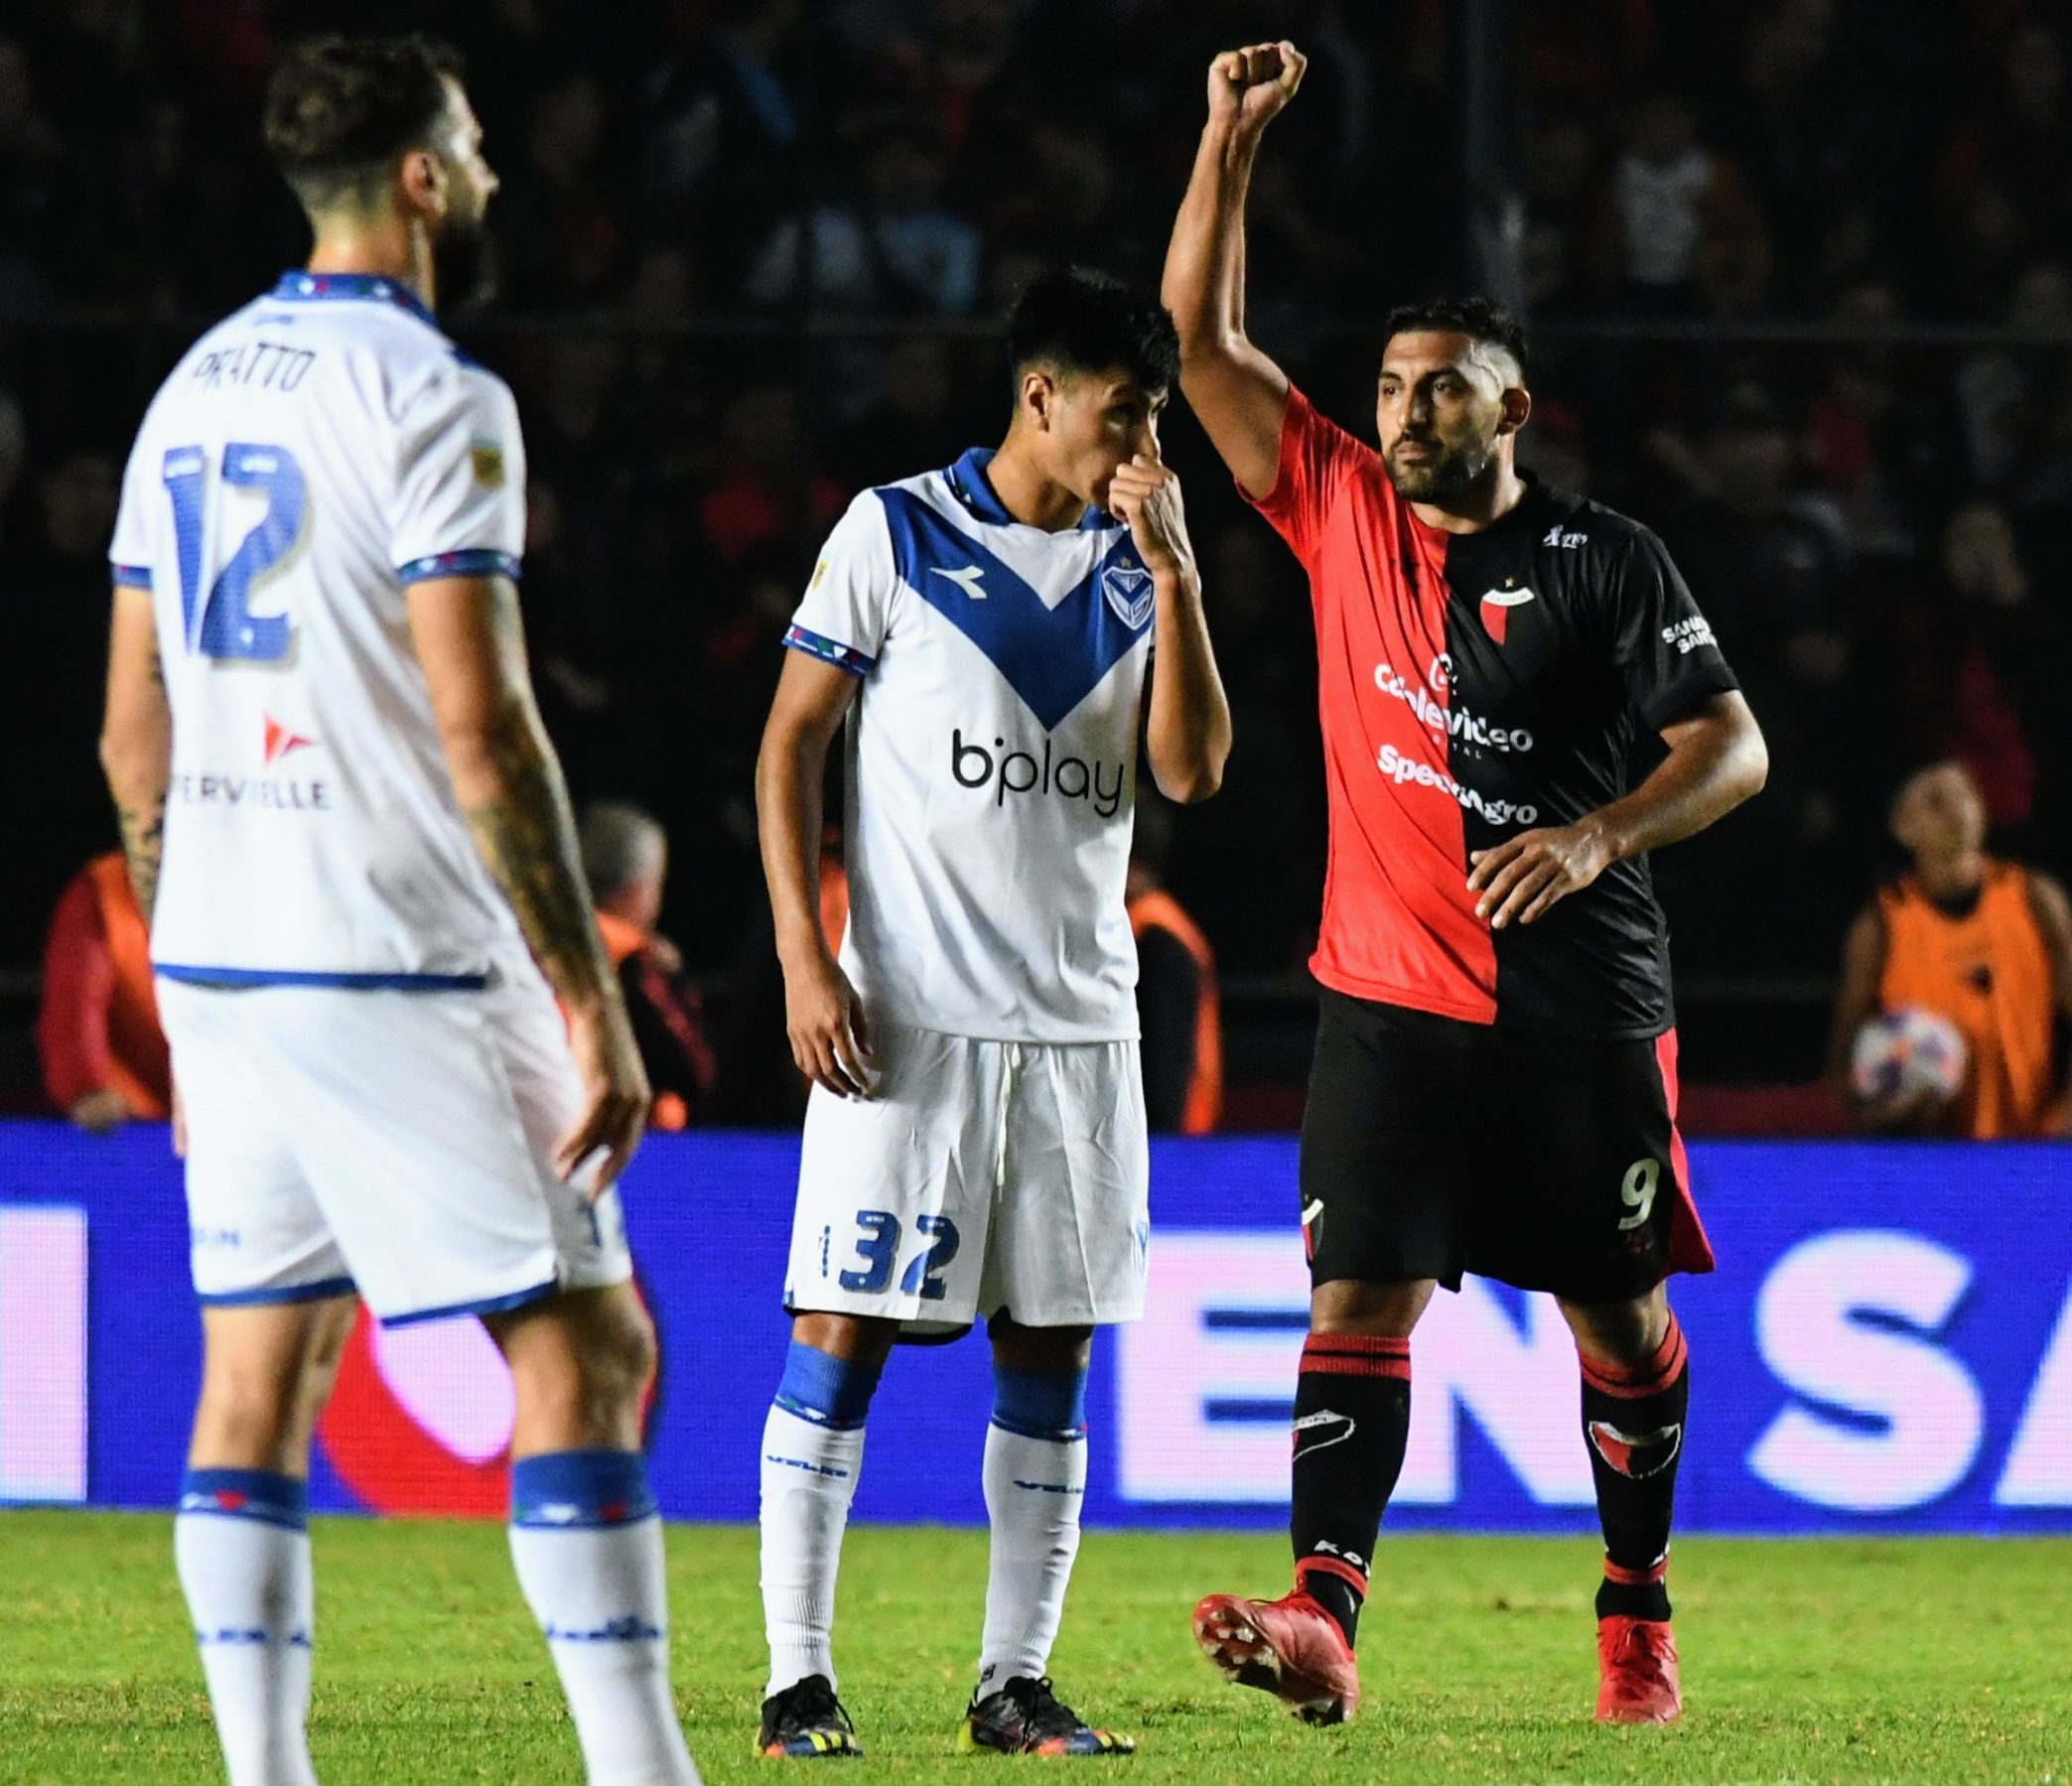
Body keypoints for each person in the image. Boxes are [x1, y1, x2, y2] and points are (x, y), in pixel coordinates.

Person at [94, 36, 698, 1786]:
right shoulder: (438, 393)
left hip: (222, 952)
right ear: (424, 178)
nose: (496, 171)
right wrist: (590, 995)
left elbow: (130, 731)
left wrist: (184, 980)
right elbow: (484, 727)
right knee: (588, 1345)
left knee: (255, 1378)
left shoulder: (191, 386)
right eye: (479, 146)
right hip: (399, 946)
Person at [1163, 43, 1770, 1728]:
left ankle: (1636, 1604)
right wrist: (1226, 141)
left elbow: (1735, 749)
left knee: (1620, 1321)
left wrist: (1600, 833)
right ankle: (1323, 1610)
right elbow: (1201, 341)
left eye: (1443, 388)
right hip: (1386, 997)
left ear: (1513, 410)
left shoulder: (1607, 560)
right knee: (1359, 1293)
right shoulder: (1335, 505)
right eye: (1390, 385)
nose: (1407, 410)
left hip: (1579, 1008)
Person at [751, 267, 1231, 1759]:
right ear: (1041, 395)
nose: (1145, 445)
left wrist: (1183, 579)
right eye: (1126, 413)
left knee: (1054, 1347)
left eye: (1157, 418)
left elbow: (1193, 771)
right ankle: (795, 1681)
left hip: (1082, 1025)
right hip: (909, 1017)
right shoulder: (892, 531)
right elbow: (788, 745)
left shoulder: (1140, 567)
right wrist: (804, 953)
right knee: (843, 1325)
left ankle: (1010, 1683)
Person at [1827, 762, 2072, 1138]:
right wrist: (1883, 1114)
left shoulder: (2032, 898)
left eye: (1966, 794)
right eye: (1936, 801)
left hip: (2026, 1148)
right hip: (1930, 1153)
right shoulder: (1881, 925)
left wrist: (2070, 1122)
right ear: (1903, 827)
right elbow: (1843, 1058)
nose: (1957, 808)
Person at [579, 800, 717, 1129]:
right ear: (639, 887)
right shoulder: (636, 966)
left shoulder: (539, 946)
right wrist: (675, 986)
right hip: (634, 1138)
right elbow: (696, 1071)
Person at [37, 851, 172, 1132]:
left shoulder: (253, 883)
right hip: (139, 1122)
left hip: (239, 1106)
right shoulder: (103, 890)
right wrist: (85, 1087)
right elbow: (74, 1008)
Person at [1126, 798, 1222, 1136]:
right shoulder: (1156, 926)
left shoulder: (1158, 939)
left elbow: (1167, 1057)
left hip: (1171, 1141)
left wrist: (1161, 1139)